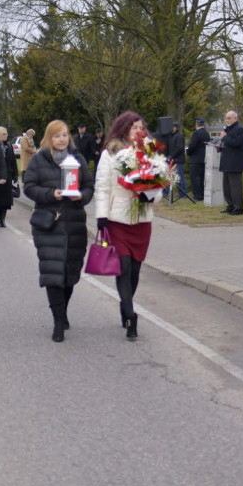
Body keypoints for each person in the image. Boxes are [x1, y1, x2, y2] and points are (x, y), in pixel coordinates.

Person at [23, 120, 95, 342]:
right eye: (56, 136)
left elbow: (89, 186)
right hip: (49, 224)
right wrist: (50, 194)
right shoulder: (39, 159)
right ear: (49, 138)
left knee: (70, 273)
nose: (61, 139)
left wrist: (81, 196)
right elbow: (29, 187)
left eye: (64, 135)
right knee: (53, 272)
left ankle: (63, 311)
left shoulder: (78, 159)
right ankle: (57, 321)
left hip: (74, 223)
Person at [95, 111, 153, 339]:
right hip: (117, 219)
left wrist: (150, 193)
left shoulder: (149, 151)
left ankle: (124, 303)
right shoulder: (110, 152)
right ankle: (130, 314)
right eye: (133, 127)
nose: (138, 131)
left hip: (141, 220)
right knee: (124, 267)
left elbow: (158, 184)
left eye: (141, 127)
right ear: (123, 129)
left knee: (135, 270)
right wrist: (101, 216)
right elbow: (102, 187)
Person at [218, 110, 243, 215]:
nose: (227, 120)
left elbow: (236, 143)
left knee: (235, 187)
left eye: (229, 118)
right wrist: (219, 147)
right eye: (226, 118)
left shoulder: (239, 129)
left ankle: (238, 208)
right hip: (227, 162)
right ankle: (230, 205)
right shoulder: (227, 129)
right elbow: (226, 143)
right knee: (226, 187)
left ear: (235, 118)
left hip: (235, 163)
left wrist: (225, 137)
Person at [0, 126, 19, 228]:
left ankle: (3, 219)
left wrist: (15, 175)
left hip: (8, 174)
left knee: (6, 199)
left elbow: (13, 161)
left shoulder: (9, 145)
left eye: (6, 134)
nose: (6, 136)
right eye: (3, 134)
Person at [186, 118, 210, 201]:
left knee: (195, 177)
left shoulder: (196, 133)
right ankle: (203, 194)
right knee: (202, 178)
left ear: (196, 124)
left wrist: (188, 152)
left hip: (196, 159)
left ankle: (197, 195)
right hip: (204, 158)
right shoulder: (206, 133)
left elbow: (192, 145)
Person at [166, 121, 186, 197]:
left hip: (178, 160)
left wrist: (172, 156)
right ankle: (178, 192)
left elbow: (179, 148)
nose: (172, 128)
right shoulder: (171, 136)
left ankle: (183, 193)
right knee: (173, 176)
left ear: (176, 128)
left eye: (173, 127)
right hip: (173, 159)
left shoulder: (179, 136)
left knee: (180, 177)